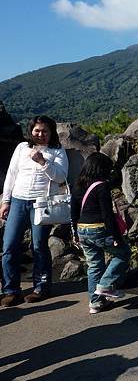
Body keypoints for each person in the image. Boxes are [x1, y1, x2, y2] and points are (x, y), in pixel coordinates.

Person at [1, 115, 69, 306]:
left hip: (42, 203)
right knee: (9, 246)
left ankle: (41, 287)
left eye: (45, 131)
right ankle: (11, 290)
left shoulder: (57, 151)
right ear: (31, 131)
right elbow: (12, 174)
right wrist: (5, 201)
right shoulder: (22, 148)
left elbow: (61, 177)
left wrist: (43, 162)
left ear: (51, 132)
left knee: (38, 245)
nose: (40, 134)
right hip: (18, 200)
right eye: (37, 130)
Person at [71, 152, 131, 314]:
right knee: (123, 253)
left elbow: (74, 211)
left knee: (94, 265)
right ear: (101, 169)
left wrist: (75, 233)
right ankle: (105, 285)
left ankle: (96, 303)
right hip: (98, 228)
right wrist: (116, 237)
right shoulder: (101, 186)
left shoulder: (77, 185)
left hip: (82, 229)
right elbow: (107, 214)